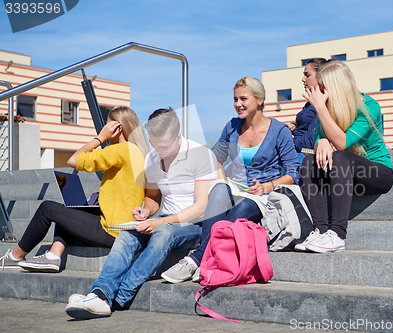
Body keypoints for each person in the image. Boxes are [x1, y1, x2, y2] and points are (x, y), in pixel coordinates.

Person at [65, 108, 217, 319]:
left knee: (164, 233)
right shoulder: (153, 158)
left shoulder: (201, 155)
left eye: (164, 145)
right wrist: (146, 211)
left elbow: (202, 207)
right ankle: (99, 294)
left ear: (178, 136)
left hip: (193, 225)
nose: (158, 151)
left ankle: (119, 298)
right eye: (154, 145)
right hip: (164, 219)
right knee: (128, 234)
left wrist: (160, 223)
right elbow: (154, 198)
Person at [161, 77, 299, 284]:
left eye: (243, 98)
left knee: (241, 208)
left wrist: (266, 186)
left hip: (263, 195)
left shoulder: (279, 131)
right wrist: (223, 180)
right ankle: (207, 259)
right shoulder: (232, 126)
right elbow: (214, 159)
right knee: (218, 189)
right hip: (237, 187)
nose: (238, 104)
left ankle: (197, 259)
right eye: (235, 99)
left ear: (259, 100)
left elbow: (293, 174)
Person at [0, 106, 148, 272]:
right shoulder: (138, 152)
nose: (104, 129)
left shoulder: (120, 149)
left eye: (107, 126)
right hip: (123, 229)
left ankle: (15, 256)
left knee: (46, 208)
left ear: (117, 128)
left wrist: (100, 138)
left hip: (112, 231)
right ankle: (54, 255)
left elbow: (74, 160)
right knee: (71, 210)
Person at [297, 60, 393, 253]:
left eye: (323, 85)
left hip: (377, 172)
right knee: (309, 161)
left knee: (340, 157)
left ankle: (338, 234)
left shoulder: (369, 106)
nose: (319, 89)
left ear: (335, 85)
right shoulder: (330, 107)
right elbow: (320, 140)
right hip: (344, 175)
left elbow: (342, 143)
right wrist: (321, 141)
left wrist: (320, 109)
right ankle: (321, 231)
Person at [288, 58, 327, 166]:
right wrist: (294, 125)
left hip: (303, 154)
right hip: (296, 148)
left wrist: (284, 142)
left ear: (321, 76)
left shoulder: (324, 103)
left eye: (307, 75)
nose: (303, 79)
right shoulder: (310, 103)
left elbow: (311, 140)